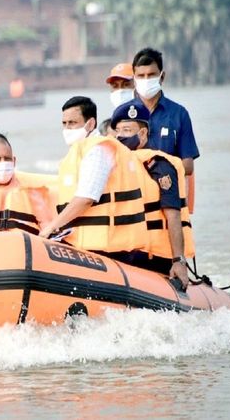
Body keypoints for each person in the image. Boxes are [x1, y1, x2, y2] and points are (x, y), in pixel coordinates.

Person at [39, 96, 147, 258]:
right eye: (64, 123)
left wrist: (51, 227)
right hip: (85, 243)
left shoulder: (97, 149)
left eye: (72, 123)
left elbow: (86, 197)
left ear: (90, 123)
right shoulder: (79, 151)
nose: (67, 128)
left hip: (108, 248)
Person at [111, 100, 193, 288]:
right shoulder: (117, 166)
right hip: (125, 253)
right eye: (118, 132)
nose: (120, 136)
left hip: (154, 257)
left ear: (142, 133)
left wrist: (178, 260)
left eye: (126, 130)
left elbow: (173, 214)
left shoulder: (159, 166)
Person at [132, 48, 199, 176]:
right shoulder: (124, 115)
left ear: (162, 77)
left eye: (151, 75)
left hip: (169, 192)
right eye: (141, 76)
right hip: (136, 193)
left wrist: (157, 169)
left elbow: (188, 166)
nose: (146, 80)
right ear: (134, 79)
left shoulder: (179, 114)